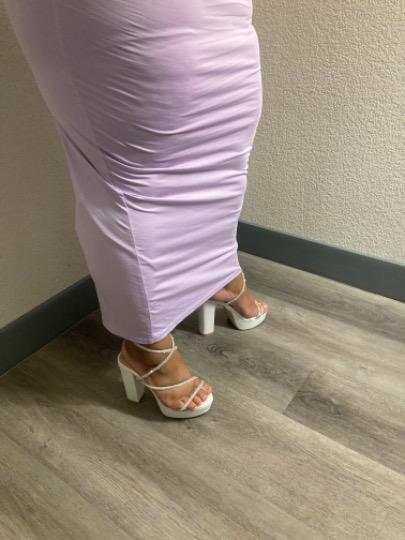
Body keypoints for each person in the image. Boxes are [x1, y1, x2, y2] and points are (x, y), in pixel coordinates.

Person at [4, 0, 268, 419]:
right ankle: (146, 347)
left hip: (218, 14)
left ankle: (217, 273)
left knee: (225, 155)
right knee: (132, 182)